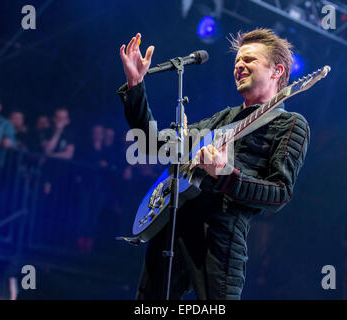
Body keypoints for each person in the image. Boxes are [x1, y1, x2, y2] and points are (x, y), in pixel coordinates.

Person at [117, 29, 310, 300]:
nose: (239, 66)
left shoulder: (290, 124)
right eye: (237, 62)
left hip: (220, 237)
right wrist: (136, 87)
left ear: (277, 70)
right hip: (172, 226)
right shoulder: (222, 119)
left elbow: (279, 193)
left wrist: (227, 174)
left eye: (250, 60)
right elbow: (152, 143)